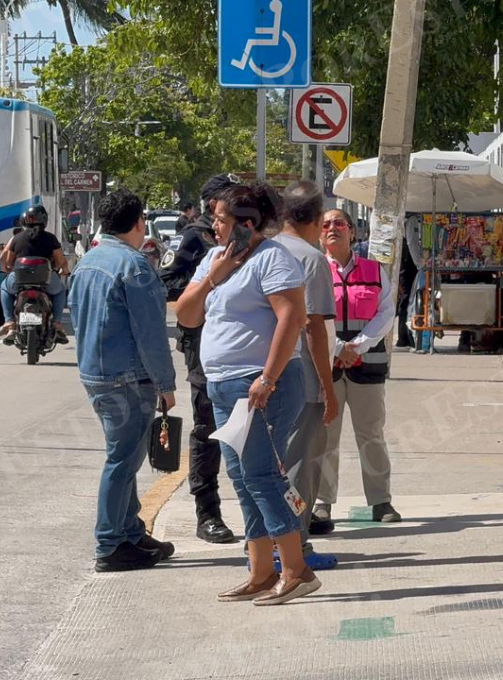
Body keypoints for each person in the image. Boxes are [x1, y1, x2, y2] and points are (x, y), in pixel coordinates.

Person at [175, 182, 321, 605]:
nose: (213, 226)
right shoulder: (213, 260)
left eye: (220, 219)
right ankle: (260, 571)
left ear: (247, 223)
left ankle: (296, 570)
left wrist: (268, 378)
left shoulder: (272, 259)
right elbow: (186, 315)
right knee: (241, 477)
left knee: (260, 475)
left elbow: (292, 317)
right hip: (222, 383)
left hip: (259, 383)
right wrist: (213, 279)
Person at [68, 189, 177, 572]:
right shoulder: (134, 265)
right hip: (128, 377)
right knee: (122, 460)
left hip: (96, 374)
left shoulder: (89, 261)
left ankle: (130, 532)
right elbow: (151, 332)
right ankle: (111, 543)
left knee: (126, 457)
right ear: (138, 223)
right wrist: (166, 384)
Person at [311, 209, 401, 535]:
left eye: (339, 223)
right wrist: (337, 349)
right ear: (319, 235)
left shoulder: (375, 270)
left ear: (352, 232)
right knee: (325, 438)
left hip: (368, 366)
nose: (332, 228)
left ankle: (381, 501)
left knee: (371, 435)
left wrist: (358, 346)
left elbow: (386, 311)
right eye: (326, 225)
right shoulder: (313, 271)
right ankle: (321, 503)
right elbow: (311, 317)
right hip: (326, 367)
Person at [166, 174, 242, 544]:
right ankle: (207, 511)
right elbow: (168, 281)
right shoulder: (196, 236)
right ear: (212, 206)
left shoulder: (250, 240)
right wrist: (205, 284)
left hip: (240, 350)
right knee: (208, 428)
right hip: (202, 343)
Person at [273, 181, 339, 562]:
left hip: (265, 373)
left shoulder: (262, 252)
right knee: (300, 466)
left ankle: (266, 546)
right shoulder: (310, 259)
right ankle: (294, 544)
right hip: (302, 379)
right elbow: (315, 328)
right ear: (315, 220)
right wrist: (329, 390)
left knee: (269, 466)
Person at [0, 206, 70, 344]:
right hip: (46, 281)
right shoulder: (51, 238)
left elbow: (4, 259)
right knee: (60, 291)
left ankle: (9, 322)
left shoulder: (16, 238)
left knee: (4, 288)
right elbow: (61, 261)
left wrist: (5, 269)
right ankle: (57, 323)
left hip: (19, 280)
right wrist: (64, 270)